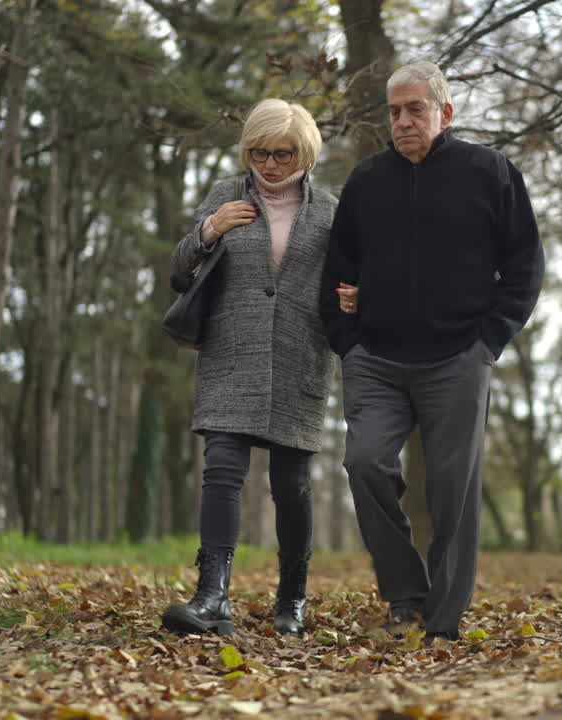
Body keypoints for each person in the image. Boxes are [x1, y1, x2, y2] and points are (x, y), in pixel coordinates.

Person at [321, 61, 544, 642]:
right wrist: (348, 342)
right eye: (394, 111)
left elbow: (525, 264)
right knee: (365, 462)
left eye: (415, 109)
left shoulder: (489, 172)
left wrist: (489, 340)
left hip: (458, 358)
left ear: (445, 112)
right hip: (376, 360)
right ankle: (404, 596)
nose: (402, 121)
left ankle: (442, 621)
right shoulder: (367, 181)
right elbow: (337, 269)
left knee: (452, 493)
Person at [163, 99, 337, 637]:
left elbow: (347, 281)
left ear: (305, 153)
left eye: (283, 154)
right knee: (221, 469)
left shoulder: (330, 212)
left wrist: (353, 299)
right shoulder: (225, 195)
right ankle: (212, 597)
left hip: (300, 358)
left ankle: (292, 599)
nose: (270, 165)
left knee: (291, 484)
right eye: (259, 153)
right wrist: (209, 230)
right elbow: (179, 271)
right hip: (230, 354)